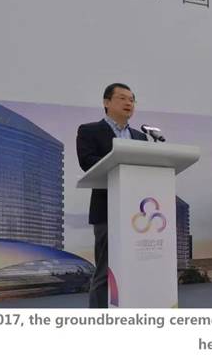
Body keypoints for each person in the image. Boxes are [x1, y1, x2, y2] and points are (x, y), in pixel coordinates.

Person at [76, 83, 148, 308]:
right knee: (105, 271)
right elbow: (87, 162)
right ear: (106, 103)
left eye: (132, 99)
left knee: (135, 268)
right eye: (122, 98)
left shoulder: (140, 137)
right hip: (107, 210)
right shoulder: (89, 130)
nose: (129, 103)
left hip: (138, 215)